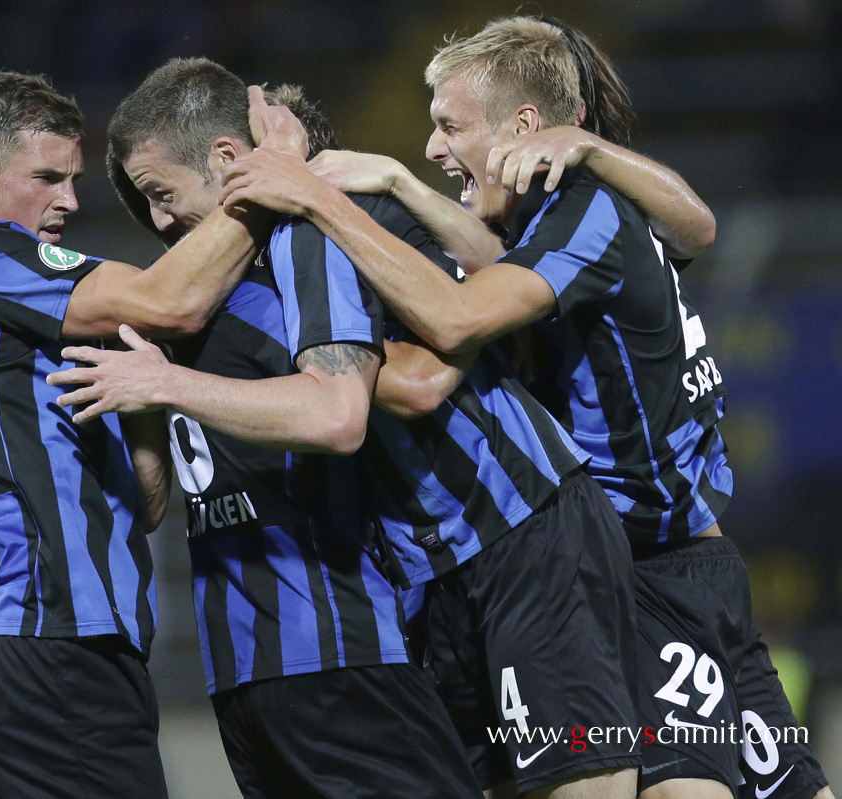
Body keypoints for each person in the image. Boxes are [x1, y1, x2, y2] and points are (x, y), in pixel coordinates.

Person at [219, 16, 832, 799]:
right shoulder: (561, 214)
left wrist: (314, 196)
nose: (435, 149)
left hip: (647, 568)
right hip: (670, 557)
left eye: (448, 127)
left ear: (524, 127)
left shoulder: (588, 209)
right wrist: (400, 184)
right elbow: (684, 226)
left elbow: (458, 318)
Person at [51, 57, 649, 799]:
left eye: (162, 196)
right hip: (426, 576)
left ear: (234, 160)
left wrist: (386, 188)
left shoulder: (341, 216)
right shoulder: (226, 292)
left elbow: (426, 373)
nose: (162, 223)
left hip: (521, 528)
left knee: (583, 782)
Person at [0, 70, 281, 799]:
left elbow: (142, 506)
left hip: (43, 658)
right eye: (48, 177)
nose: (69, 201)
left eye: (73, 179)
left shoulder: (13, 331)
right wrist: (269, 182)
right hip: (53, 653)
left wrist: (144, 395)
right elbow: (171, 301)